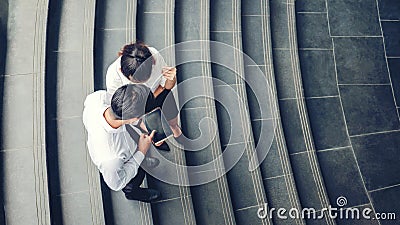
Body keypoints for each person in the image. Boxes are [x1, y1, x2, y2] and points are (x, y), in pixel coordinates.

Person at [83, 84, 161, 202]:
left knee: (138, 153)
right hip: (123, 162)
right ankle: (133, 193)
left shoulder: (97, 98)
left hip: (127, 137)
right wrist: (141, 151)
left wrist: (139, 124)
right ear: (133, 119)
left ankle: (143, 161)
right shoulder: (111, 158)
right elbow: (116, 184)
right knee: (136, 177)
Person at [105, 41, 184, 151]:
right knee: (154, 131)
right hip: (140, 106)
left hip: (160, 92)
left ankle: (175, 129)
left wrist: (172, 79)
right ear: (121, 71)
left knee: (172, 118)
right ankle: (159, 140)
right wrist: (139, 121)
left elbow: (166, 85)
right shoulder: (113, 78)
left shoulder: (153, 55)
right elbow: (124, 108)